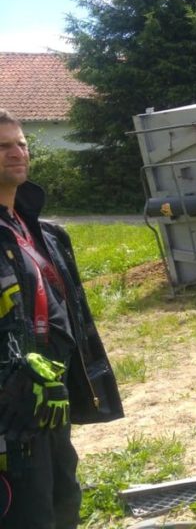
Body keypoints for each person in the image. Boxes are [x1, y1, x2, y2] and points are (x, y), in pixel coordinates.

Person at [0, 109, 123, 528]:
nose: (17, 153)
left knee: (62, 499)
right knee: (24, 512)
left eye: (21, 143)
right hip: (7, 411)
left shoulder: (44, 231)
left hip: (50, 398)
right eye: (3, 147)